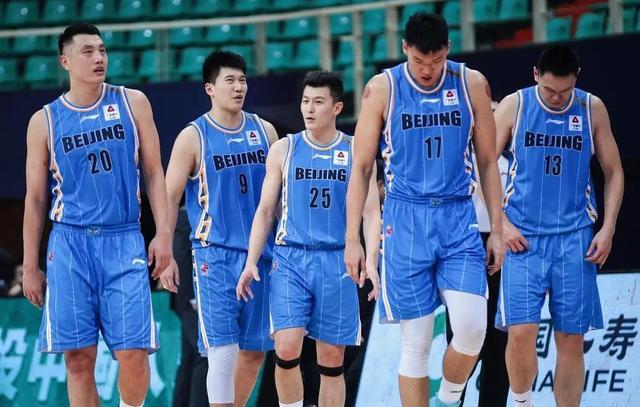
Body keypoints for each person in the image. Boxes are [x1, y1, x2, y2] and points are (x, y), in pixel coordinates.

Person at [344, 12, 505, 407]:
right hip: (405, 218)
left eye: (435, 61)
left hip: (457, 216)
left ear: (447, 49)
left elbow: (488, 162)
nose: (428, 70)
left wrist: (498, 230)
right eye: (419, 61)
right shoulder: (382, 88)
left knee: (472, 330)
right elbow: (361, 168)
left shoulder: (472, 83)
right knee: (415, 344)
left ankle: (448, 397)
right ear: (405, 49)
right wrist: (353, 239)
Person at [22, 23, 172, 407]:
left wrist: (164, 234)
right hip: (69, 244)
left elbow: (154, 172)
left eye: (102, 50)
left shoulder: (132, 102)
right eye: (87, 51)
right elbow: (35, 199)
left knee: (134, 353)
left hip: (123, 238)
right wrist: (30, 265)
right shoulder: (45, 121)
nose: (99, 58)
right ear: (65, 61)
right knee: (78, 358)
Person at [236, 71, 380, 407]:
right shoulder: (284, 149)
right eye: (305, 101)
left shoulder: (356, 150)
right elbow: (265, 210)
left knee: (331, 360)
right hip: (291, 258)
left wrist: (372, 258)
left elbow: (372, 212)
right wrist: (251, 261)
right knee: (286, 347)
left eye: (318, 102)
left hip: (337, 260)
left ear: (337, 107)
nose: (309, 109)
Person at [494, 45, 624, 407]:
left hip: (574, 238)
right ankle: (522, 402)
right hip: (523, 237)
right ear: (536, 75)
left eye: (565, 91)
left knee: (571, 339)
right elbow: (483, 165)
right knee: (520, 333)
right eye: (550, 90)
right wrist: (501, 225)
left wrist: (608, 228)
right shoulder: (515, 105)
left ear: (576, 80)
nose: (557, 97)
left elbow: (614, 172)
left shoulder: (591, 107)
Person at [161, 50, 278, 407]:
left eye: (243, 80)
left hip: (261, 255)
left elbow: (279, 197)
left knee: (254, 353)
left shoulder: (265, 131)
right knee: (222, 354)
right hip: (214, 256)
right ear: (210, 88)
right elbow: (168, 199)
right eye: (230, 80)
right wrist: (165, 253)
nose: (239, 87)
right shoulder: (192, 136)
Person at [171, 205, 208, 407]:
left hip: (193, 296)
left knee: (190, 357)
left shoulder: (194, 215)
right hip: (191, 298)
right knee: (204, 354)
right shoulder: (185, 217)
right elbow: (180, 254)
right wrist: (192, 296)